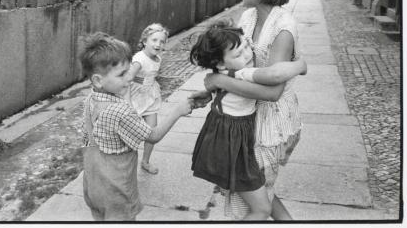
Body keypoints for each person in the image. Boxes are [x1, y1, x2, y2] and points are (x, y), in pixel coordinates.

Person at [204, 0, 301, 220]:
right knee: (259, 191)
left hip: (272, 125)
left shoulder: (283, 29)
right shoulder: (248, 18)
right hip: (248, 116)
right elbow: (234, 63)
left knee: (254, 201)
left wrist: (219, 81)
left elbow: (273, 92)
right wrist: (212, 87)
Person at [189, 20, 306, 220]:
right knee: (261, 209)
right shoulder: (242, 73)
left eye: (246, 46)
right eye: (238, 54)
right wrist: (300, 66)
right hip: (230, 145)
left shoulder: (224, 72)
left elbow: (220, 85)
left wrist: (211, 88)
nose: (247, 54)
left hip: (231, 141)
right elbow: (273, 81)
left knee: (264, 197)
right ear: (220, 63)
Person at [79, 32, 193, 221]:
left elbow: (89, 138)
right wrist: (178, 110)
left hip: (93, 184)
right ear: (98, 80)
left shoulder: (90, 99)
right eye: (122, 74)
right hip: (116, 190)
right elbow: (153, 135)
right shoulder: (120, 111)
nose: (129, 78)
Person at [126, 23, 169, 174]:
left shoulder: (158, 58)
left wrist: (151, 82)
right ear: (145, 41)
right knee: (131, 134)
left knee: (152, 132)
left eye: (162, 41)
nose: (158, 44)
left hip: (150, 98)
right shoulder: (139, 59)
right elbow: (129, 78)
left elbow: (153, 73)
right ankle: (127, 163)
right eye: (154, 40)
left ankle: (145, 161)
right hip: (135, 99)